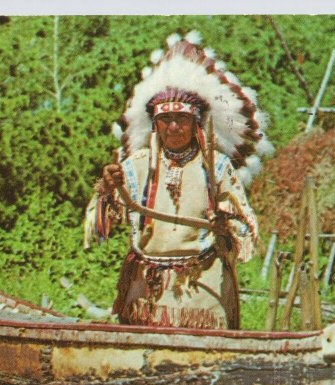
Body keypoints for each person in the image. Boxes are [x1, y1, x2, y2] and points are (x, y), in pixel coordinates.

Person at [84, 32, 272, 329]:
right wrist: (107, 188)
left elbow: (245, 228)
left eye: (182, 119)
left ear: (197, 123)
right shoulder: (137, 165)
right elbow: (104, 221)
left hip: (202, 292)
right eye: (165, 119)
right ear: (154, 123)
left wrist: (227, 227)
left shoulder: (217, 167)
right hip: (146, 293)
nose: (174, 127)